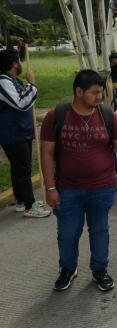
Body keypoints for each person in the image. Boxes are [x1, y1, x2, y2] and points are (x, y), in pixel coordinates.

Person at [40, 69, 117, 291]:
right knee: (67, 233)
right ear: (78, 91)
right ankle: (68, 269)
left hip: (102, 187)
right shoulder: (56, 116)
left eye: (101, 92)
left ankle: (100, 270)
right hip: (67, 189)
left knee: (99, 230)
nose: (99, 97)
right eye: (94, 93)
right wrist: (50, 188)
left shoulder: (109, 116)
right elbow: (46, 152)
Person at [0, 49, 51, 218]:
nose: (20, 64)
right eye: (18, 61)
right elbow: (21, 103)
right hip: (13, 133)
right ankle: (30, 205)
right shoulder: (3, 82)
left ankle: (21, 200)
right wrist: (32, 84)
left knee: (19, 168)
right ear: (14, 64)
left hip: (21, 131)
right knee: (23, 169)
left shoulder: (13, 80)